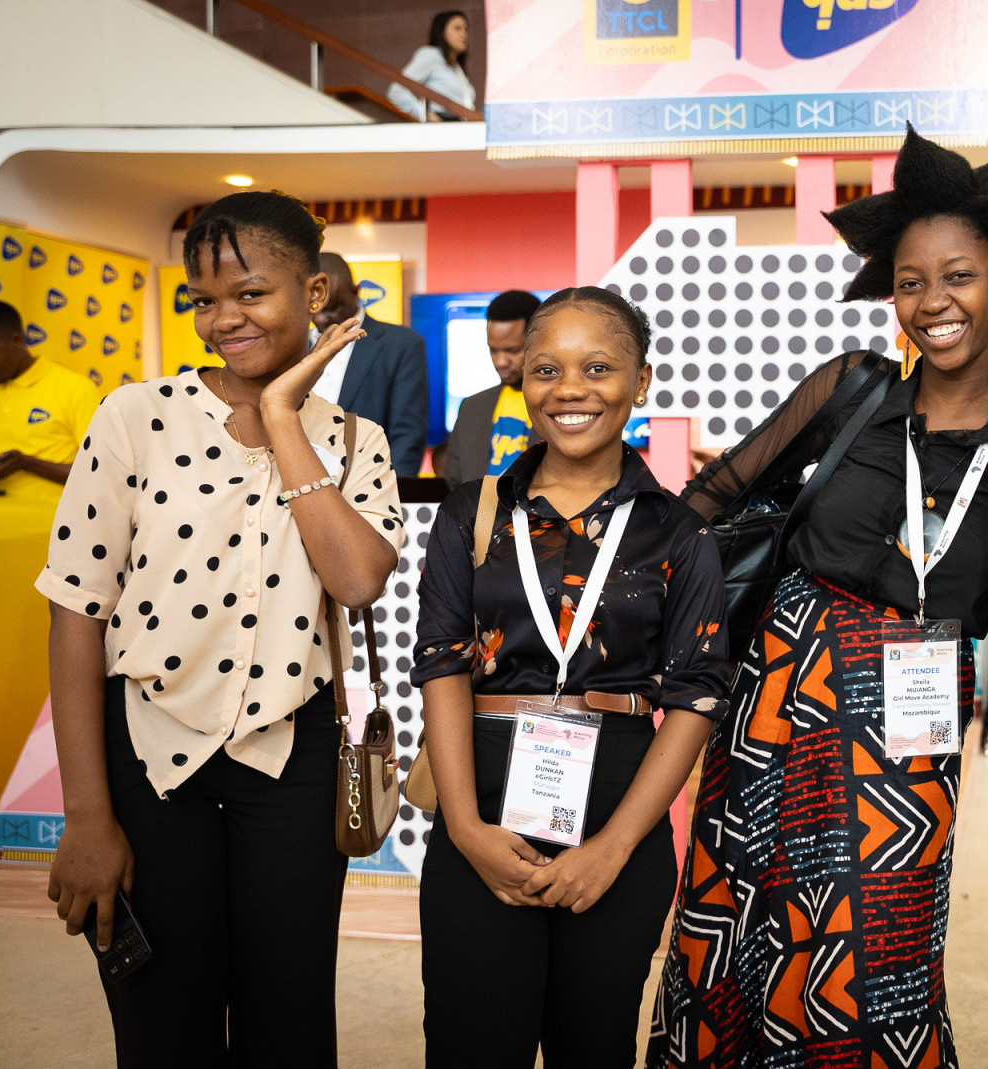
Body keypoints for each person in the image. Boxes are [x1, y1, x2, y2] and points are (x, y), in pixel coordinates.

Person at [648, 127, 988, 1068]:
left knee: (877, 963)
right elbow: (708, 502)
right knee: (732, 936)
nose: (933, 302)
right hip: (771, 707)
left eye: (958, 277)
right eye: (911, 282)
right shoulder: (853, 390)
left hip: (907, 749)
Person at [36, 191, 405, 1067]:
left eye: (249, 293)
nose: (222, 319)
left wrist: (282, 419)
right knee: (163, 1021)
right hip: (148, 753)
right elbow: (76, 611)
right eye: (203, 300)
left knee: (290, 1021)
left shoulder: (356, 439)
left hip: (296, 761)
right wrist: (86, 814)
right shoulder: (133, 417)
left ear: (314, 292)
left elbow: (357, 580)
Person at [411, 286, 730, 1067]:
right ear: (523, 380)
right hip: (481, 798)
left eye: (598, 367)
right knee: (471, 1043)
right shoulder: (471, 512)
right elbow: (442, 665)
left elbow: (696, 696)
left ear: (640, 381)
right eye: (547, 369)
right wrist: (465, 828)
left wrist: (614, 847)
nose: (570, 389)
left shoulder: (679, 532)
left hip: (619, 804)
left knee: (594, 1043)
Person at [309, 251, 429, 479]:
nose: (322, 318)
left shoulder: (401, 345)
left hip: (370, 488)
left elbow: (407, 436)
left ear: (356, 293)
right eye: (315, 307)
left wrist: (391, 493)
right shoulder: (294, 349)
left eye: (333, 308)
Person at [0, 298, 99, 500]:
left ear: (16, 340)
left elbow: (100, 472)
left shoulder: (76, 388)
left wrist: (26, 463)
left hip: (52, 519)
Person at [441, 289, 540, 487]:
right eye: (493, 350)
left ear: (539, 342)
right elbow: (455, 484)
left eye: (512, 350)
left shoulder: (562, 405)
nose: (501, 361)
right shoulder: (471, 407)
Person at [388, 10, 476, 122]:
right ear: (442, 32)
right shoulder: (431, 55)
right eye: (457, 28)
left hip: (461, 124)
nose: (464, 34)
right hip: (442, 123)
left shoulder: (456, 67)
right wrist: (425, 115)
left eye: (465, 29)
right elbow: (397, 91)